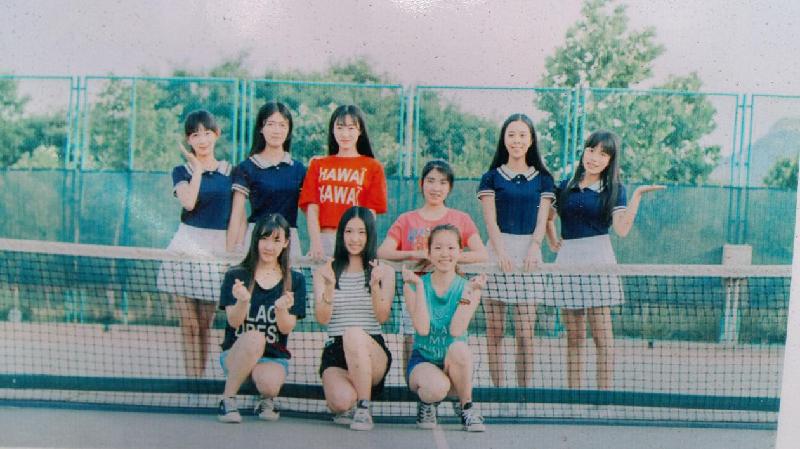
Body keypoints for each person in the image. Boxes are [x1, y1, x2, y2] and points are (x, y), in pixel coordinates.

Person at [547, 130, 664, 390]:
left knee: (603, 339)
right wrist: (552, 239)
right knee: (574, 337)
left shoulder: (615, 190)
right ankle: (573, 396)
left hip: (598, 260)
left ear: (610, 160)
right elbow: (548, 218)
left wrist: (636, 196)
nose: (594, 158)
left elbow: (621, 229)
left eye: (603, 154)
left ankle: (603, 397)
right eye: (591, 150)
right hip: (568, 263)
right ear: (584, 152)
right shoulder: (564, 186)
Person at [377, 159, 487, 381]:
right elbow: (383, 252)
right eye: (431, 181)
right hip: (416, 292)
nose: (436, 187)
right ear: (422, 183)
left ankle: (452, 391)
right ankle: (415, 389)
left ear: (450, 187)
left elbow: (481, 254)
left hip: (450, 296)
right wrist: (416, 254)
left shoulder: (461, 219)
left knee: (452, 344)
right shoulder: (406, 219)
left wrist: (446, 258)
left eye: (443, 182)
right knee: (412, 341)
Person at [477, 113, 555, 388]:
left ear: (531, 140)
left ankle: (522, 394)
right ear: (504, 139)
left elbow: (542, 220)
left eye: (522, 135)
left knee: (525, 333)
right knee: (495, 332)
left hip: (529, 256)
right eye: (511, 134)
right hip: (498, 253)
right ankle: (499, 392)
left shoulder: (544, 179)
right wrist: (500, 252)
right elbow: (490, 221)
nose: (517, 140)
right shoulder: (490, 178)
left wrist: (534, 247)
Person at [157, 109, 231, 379]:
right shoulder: (181, 171)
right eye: (195, 134)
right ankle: (192, 384)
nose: (202, 140)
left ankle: (199, 383)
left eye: (207, 133)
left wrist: (229, 255)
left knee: (203, 325)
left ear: (216, 135)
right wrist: (198, 170)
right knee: (189, 324)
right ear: (188, 140)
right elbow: (188, 203)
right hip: (184, 249)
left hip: (215, 252)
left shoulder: (230, 172)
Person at [216, 214, 307, 423]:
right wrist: (242, 301)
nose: (269, 246)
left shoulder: (295, 280)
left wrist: (282, 309)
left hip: (272, 357)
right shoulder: (236, 275)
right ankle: (227, 400)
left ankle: (264, 400)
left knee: (270, 386)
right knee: (255, 338)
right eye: (264, 238)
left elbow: (286, 328)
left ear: (286, 243)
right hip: (236, 353)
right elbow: (233, 322)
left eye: (276, 240)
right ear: (255, 239)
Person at [314, 206, 395, 431]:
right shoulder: (324, 271)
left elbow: (382, 317)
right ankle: (351, 397)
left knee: (353, 334)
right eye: (349, 231)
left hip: (371, 350)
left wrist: (375, 286)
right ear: (341, 234)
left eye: (361, 232)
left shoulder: (385, 271)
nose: (354, 238)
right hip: (336, 350)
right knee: (340, 402)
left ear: (370, 235)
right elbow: (322, 319)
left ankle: (363, 408)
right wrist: (329, 288)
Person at [402, 224, 488, 432]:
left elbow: (456, 331)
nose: (444, 254)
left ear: (459, 252)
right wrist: (420, 287)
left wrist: (468, 293)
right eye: (438, 248)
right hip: (423, 362)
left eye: (451, 248)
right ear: (429, 253)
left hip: (454, 368)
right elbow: (422, 329)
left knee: (460, 348)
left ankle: (466, 408)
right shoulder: (413, 285)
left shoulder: (469, 287)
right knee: (435, 388)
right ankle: (427, 403)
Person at [298, 105, 388, 261]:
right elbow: (312, 209)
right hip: (324, 241)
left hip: (355, 242)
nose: (345, 134)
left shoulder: (373, 167)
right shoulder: (318, 165)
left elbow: (370, 214)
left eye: (351, 128)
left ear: (360, 131)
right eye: (340, 127)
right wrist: (316, 243)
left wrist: (362, 244)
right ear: (332, 130)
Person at [227, 101, 306, 259]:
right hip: (258, 238)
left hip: (288, 241)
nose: (276, 130)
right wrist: (228, 253)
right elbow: (236, 214)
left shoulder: (299, 169)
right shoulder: (246, 168)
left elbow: (310, 211)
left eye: (282, 125)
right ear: (261, 128)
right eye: (270, 124)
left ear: (289, 130)